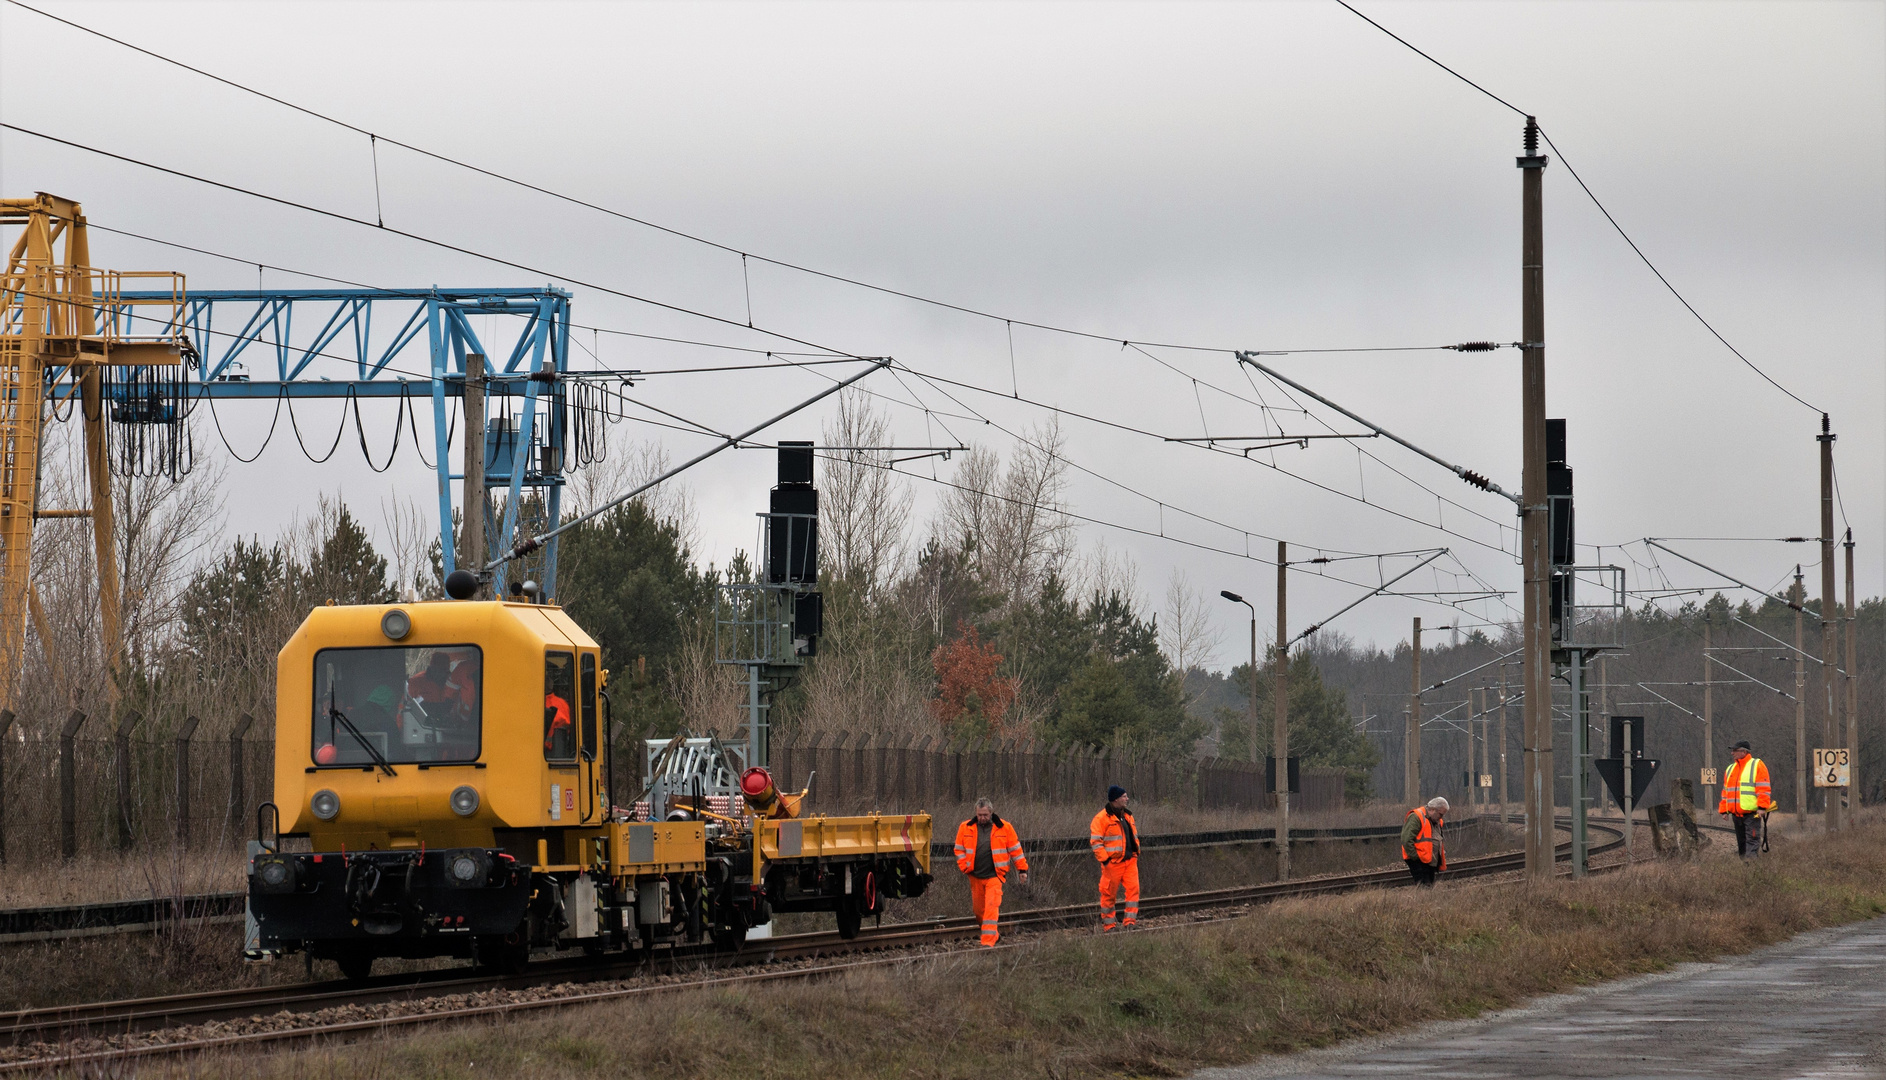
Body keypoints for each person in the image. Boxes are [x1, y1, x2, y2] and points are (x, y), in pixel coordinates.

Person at [953, 798, 1029, 946]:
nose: (982, 818)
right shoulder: (965, 827)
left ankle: (987, 944)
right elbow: (958, 849)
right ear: (976, 813)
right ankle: (994, 936)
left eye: (985, 815)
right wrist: (964, 866)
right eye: (980, 814)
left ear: (991, 813)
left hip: (995, 876)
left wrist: (1022, 869)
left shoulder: (1005, 828)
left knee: (991, 908)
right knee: (979, 912)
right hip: (975, 876)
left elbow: (1016, 850)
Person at [1090, 785, 1139, 930]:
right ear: (1116, 799)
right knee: (1108, 894)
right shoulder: (1100, 819)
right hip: (1112, 864)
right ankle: (1109, 925)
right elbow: (1095, 842)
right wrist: (1105, 860)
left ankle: (1130, 923)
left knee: (1133, 891)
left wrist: (1135, 854)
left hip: (1130, 862)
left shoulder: (1128, 816)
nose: (1127, 799)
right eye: (1124, 796)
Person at [1718, 740, 1773, 858]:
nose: (1732, 753)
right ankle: (1744, 869)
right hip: (1736, 815)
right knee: (1742, 845)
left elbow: (1763, 788)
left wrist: (1762, 807)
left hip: (1752, 814)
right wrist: (1724, 810)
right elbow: (1725, 792)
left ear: (1744, 752)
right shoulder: (1730, 769)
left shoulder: (1756, 765)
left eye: (1735, 750)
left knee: (1752, 842)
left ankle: (1751, 868)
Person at [1401, 796, 1448, 886]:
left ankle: (1425, 899)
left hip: (1429, 861)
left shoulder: (1437, 821)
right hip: (1418, 860)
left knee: (1428, 886)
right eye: (1440, 814)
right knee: (1424, 886)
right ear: (1433, 809)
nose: (1441, 817)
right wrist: (1415, 857)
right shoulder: (1416, 817)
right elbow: (1406, 839)